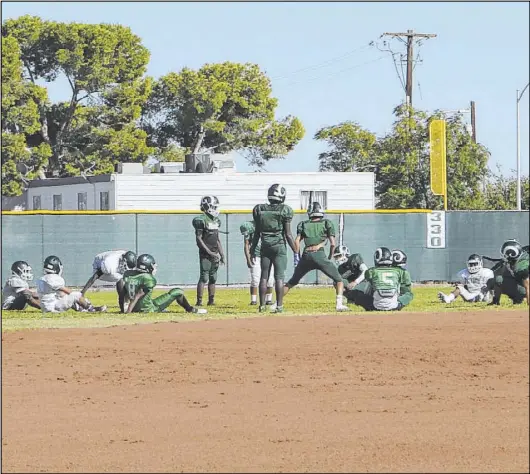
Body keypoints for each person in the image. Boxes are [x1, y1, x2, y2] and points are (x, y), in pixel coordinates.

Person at [280, 202, 349, 311]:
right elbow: (332, 243)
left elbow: (297, 241)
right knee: (339, 279)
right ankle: (339, 304)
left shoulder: (303, 224)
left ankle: (277, 303)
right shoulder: (326, 223)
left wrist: (297, 256)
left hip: (306, 254)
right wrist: (330, 255)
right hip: (319, 254)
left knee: (292, 281)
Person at [251, 184, 297, 313]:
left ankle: (261, 305)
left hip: (265, 245)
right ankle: (279, 305)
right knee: (279, 277)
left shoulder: (259, 209)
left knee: (264, 276)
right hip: (279, 245)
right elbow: (288, 234)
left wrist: (252, 249)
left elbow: (256, 233)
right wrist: (295, 250)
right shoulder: (285, 210)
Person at [122, 253, 206, 314]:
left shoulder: (128, 274)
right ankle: (190, 309)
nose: (154, 267)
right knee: (178, 292)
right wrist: (128, 312)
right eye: (152, 265)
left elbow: (123, 293)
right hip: (147, 309)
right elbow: (138, 295)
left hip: (136, 307)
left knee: (152, 301)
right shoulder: (148, 278)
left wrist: (125, 309)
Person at [36, 255, 107, 314]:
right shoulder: (54, 278)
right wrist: (80, 297)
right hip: (53, 307)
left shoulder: (41, 279)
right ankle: (91, 308)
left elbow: (61, 294)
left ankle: (81, 309)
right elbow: (67, 291)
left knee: (66, 296)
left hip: (45, 307)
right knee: (75, 295)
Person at [350, 247, 411, 312]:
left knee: (357, 293)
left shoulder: (371, 271)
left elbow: (368, 279)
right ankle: (399, 303)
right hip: (394, 306)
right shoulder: (399, 271)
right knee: (409, 295)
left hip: (375, 306)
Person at [192, 196, 225, 307]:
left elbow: (217, 239)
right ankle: (199, 301)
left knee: (213, 277)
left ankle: (211, 300)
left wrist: (222, 254)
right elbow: (199, 239)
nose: (216, 209)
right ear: (207, 207)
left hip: (214, 252)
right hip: (205, 253)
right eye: (214, 207)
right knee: (204, 277)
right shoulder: (201, 220)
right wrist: (208, 252)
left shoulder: (216, 221)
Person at [239, 221, 274, 306]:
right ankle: (253, 300)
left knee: (270, 279)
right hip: (255, 255)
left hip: (268, 254)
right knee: (255, 279)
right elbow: (246, 244)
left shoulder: (269, 225)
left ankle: (268, 299)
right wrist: (248, 258)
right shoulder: (249, 226)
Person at [488, 239, 529, 306]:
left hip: (524, 288)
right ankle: (496, 301)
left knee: (499, 279)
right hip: (519, 283)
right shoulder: (520, 256)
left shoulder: (521, 266)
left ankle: (518, 298)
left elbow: (528, 285)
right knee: (499, 278)